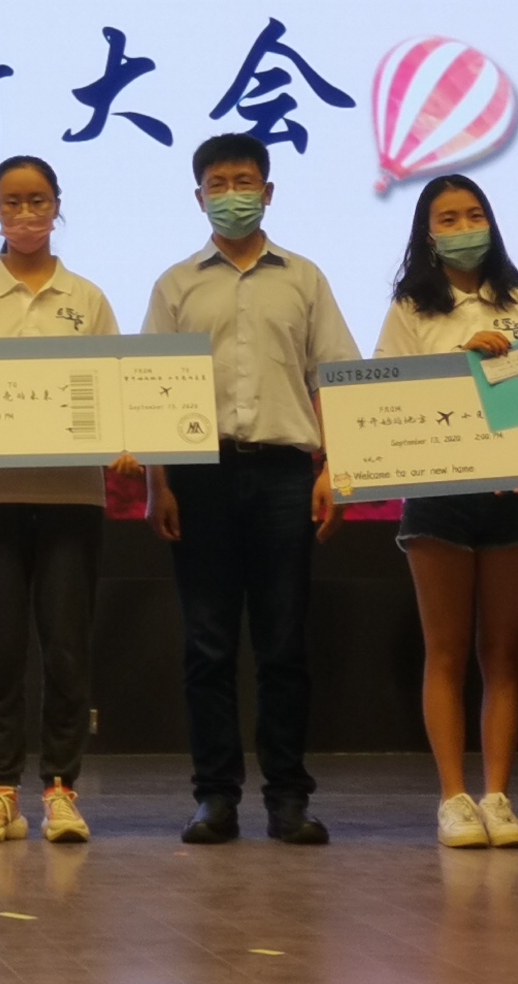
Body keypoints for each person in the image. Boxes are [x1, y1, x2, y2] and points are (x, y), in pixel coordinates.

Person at [144, 133, 360, 846]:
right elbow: (153, 389)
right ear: (198, 196)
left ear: (268, 192)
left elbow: (333, 377)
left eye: (244, 181)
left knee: (283, 644)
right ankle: (215, 797)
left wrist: (334, 469)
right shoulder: (176, 285)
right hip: (199, 476)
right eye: (218, 183)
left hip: (284, 474)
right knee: (206, 646)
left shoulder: (305, 278)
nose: (232, 194)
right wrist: (158, 482)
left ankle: (288, 798)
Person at [373, 175, 518, 850]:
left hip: (517, 497)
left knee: (504, 653)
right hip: (438, 497)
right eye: (447, 218)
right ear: (428, 234)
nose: (463, 227)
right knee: (447, 651)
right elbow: (389, 398)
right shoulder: (409, 311)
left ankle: (498, 797)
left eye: (473, 214)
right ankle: (453, 798)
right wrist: (462, 359)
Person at [0, 154, 130, 846]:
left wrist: (127, 438)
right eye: (12, 202)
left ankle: (60, 790)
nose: (25, 214)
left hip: (72, 498)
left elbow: (117, 389)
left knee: (66, 651)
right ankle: (2, 791)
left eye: (38, 200)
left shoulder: (89, 298)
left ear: (58, 206)